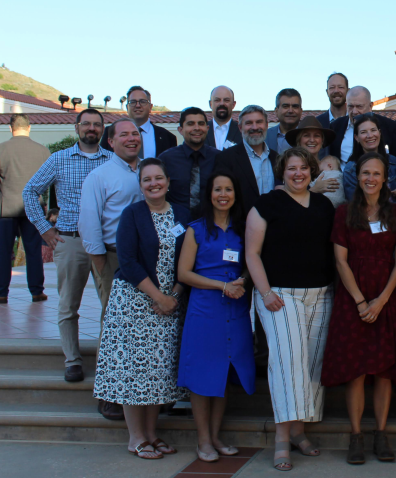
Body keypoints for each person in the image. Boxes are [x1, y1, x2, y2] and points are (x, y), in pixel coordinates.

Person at [93, 158, 190, 461]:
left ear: (168, 182)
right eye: (147, 180)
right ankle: (136, 437)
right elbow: (128, 262)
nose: (153, 184)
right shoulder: (132, 214)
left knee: (157, 373)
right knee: (134, 372)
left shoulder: (182, 215)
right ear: (140, 185)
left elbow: (189, 261)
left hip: (168, 305)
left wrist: (173, 294)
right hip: (134, 305)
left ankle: (152, 433)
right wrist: (158, 297)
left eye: (158, 178)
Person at [245, 147, 336, 471]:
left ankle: (299, 431)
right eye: (291, 168)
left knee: (312, 366)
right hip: (280, 296)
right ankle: (281, 438)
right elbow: (252, 253)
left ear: (312, 172)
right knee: (286, 363)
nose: (298, 173)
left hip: (321, 295)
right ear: (282, 172)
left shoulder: (324, 205)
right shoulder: (266, 205)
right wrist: (265, 291)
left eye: (303, 168)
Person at [322, 152, 396, 465]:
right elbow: (340, 260)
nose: (371, 179)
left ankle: (381, 434)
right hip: (353, 299)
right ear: (357, 177)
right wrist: (361, 300)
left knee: (385, 371)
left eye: (376, 173)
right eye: (365, 173)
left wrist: (383, 298)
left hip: (386, 297)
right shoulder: (345, 212)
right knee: (356, 371)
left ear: (385, 177)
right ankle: (356, 435)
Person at [23, 108, 113, 383]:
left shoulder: (112, 161)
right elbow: (29, 191)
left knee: (110, 306)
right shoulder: (59, 159)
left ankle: (106, 360)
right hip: (70, 239)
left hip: (106, 244)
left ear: (102, 130)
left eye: (97, 125)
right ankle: (72, 360)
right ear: (76, 127)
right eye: (86, 123)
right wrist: (44, 229)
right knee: (68, 305)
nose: (91, 129)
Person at [177, 171, 254, 463]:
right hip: (205, 309)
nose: (223, 194)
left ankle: (216, 435)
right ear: (209, 194)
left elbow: (250, 263)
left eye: (229, 189)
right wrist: (221, 285)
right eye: (218, 189)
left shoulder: (242, 230)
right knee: (202, 375)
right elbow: (184, 273)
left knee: (224, 373)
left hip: (235, 308)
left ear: (235, 195)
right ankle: (203, 440)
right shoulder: (195, 230)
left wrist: (242, 281)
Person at [79, 118, 145, 420]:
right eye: (124, 135)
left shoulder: (147, 171)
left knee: (140, 327)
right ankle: (109, 394)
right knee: (114, 326)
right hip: (113, 257)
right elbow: (89, 221)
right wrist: (100, 263)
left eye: (135, 134)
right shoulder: (100, 175)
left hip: (145, 259)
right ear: (111, 142)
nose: (131, 139)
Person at [0, 114, 50, 302]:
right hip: (33, 207)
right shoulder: (43, 151)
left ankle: (1, 293)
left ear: (10, 128)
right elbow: (47, 181)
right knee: (33, 250)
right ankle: (37, 291)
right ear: (29, 128)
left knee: (3, 251)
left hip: (6, 207)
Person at [213, 105, 279, 216]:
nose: (254, 127)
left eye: (259, 122)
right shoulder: (225, 159)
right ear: (240, 128)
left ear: (267, 125)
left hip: (274, 226)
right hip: (240, 228)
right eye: (249, 123)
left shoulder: (277, 158)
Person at [159, 107, 218, 219]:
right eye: (190, 124)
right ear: (180, 130)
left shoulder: (219, 158)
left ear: (207, 128)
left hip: (211, 224)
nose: (197, 128)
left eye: (201, 124)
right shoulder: (166, 159)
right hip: (175, 223)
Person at [328, 86, 396, 164]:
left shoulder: (390, 127)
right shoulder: (335, 126)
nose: (354, 111)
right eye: (350, 106)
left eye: (359, 106)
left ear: (370, 106)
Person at [103, 86, 176, 157]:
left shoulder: (167, 137)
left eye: (143, 101)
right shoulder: (109, 133)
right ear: (127, 107)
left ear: (150, 107)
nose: (138, 105)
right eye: (133, 102)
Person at [342, 113, 396, 200]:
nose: (370, 136)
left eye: (373, 130)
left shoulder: (395, 163)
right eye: (363, 132)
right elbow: (355, 203)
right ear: (356, 138)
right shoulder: (350, 169)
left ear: (380, 133)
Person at [283, 117, 340, 196]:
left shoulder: (329, 168)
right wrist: (314, 190)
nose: (312, 140)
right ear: (299, 140)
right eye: (306, 135)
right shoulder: (288, 169)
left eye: (317, 136)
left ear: (322, 141)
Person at [266, 88, 303, 154]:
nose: (290, 111)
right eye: (285, 106)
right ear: (276, 111)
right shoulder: (265, 136)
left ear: (301, 111)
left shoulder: (309, 137)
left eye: (295, 106)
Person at [206, 85, 243, 151]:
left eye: (226, 100)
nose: (222, 103)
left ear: (233, 104)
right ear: (210, 104)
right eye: (217, 100)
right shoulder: (201, 131)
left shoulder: (243, 131)